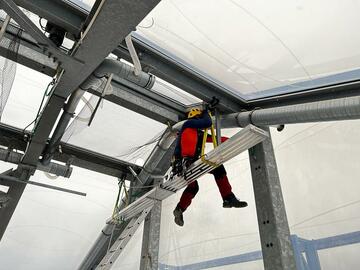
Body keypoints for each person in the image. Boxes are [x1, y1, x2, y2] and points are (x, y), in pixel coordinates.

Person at [171, 106, 248, 226]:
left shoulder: (197, 134)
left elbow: (215, 139)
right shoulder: (188, 125)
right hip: (186, 161)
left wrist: (234, 140)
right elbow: (207, 122)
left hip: (187, 163)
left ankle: (179, 209)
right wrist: (206, 111)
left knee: (194, 187)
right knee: (217, 170)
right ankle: (228, 197)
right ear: (196, 117)